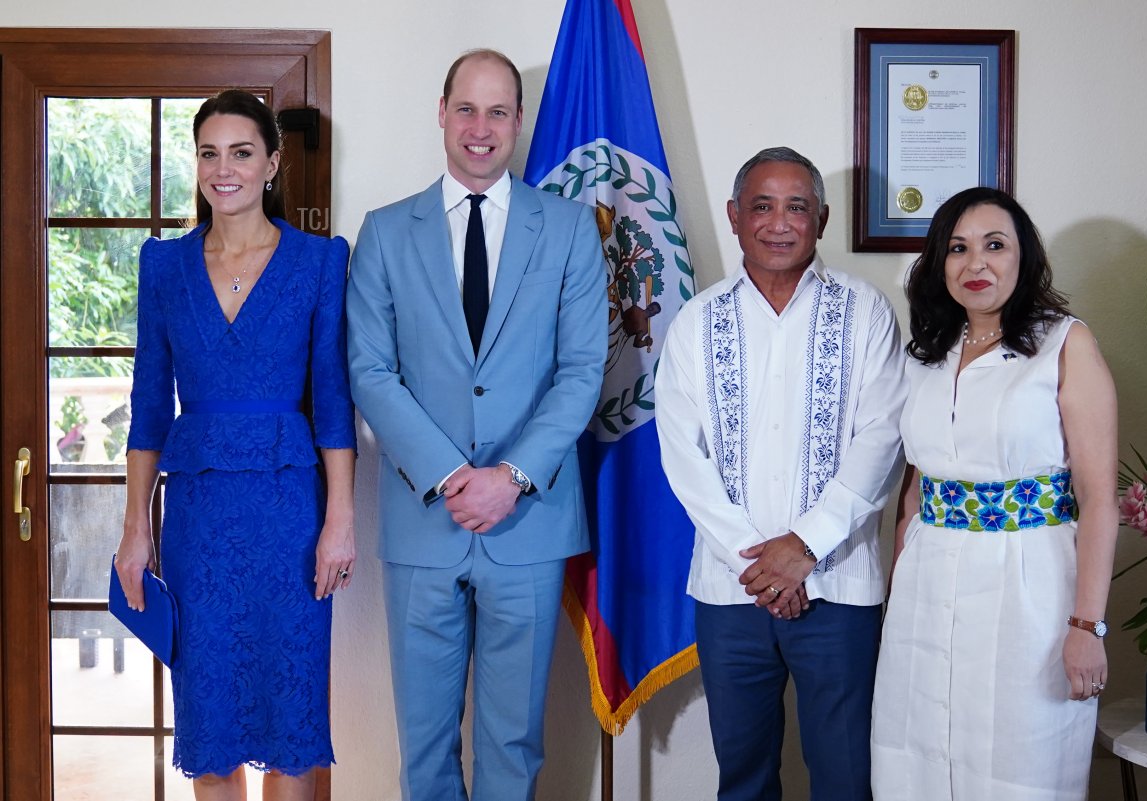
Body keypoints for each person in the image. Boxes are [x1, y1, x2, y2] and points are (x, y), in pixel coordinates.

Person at [345, 49, 606, 801]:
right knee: (423, 742)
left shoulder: (568, 229)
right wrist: (453, 476)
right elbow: (369, 371)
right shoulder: (388, 231)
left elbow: (583, 370)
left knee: (512, 740)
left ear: (519, 122)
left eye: (498, 112)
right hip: (423, 516)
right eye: (467, 108)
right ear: (441, 110)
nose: (481, 128)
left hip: (528, 519)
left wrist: (510, 477)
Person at [115, 89, 357, 801]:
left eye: (242, 153)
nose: (225, 170)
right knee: (210, 720)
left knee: (290, 721)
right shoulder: (163, 266)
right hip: (197, 519)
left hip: (291, 515)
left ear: (272, 163)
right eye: (209, 154)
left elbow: (335, 400)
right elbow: (150, 407)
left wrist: (339, 518)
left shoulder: (319, 261)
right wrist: (135, 529)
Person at [655, 147, 905, 801]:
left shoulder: (867, 312)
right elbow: (683, 455)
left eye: (797, 206)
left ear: (820, 220)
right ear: (735, 217)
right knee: (743, 777)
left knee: (846, 776)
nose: (779, 221)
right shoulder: (695, 323)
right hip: (730, 591)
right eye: (762, 205)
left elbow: (882, 439)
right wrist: (762, 562)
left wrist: (805, 546)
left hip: (840, 586)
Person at [870, 186, 1118, 799]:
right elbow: (916, 489)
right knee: (918, 759)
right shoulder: (925, 356)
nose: (975, 263)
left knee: (1018, 766)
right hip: (927, 590)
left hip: (1030, 587)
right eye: (957, 248)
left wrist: (1088, 625)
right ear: (939, 262)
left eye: (994, 245)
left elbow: (1098, 497)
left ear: (1023, 258)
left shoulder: (1065, 345)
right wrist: (899, 586)